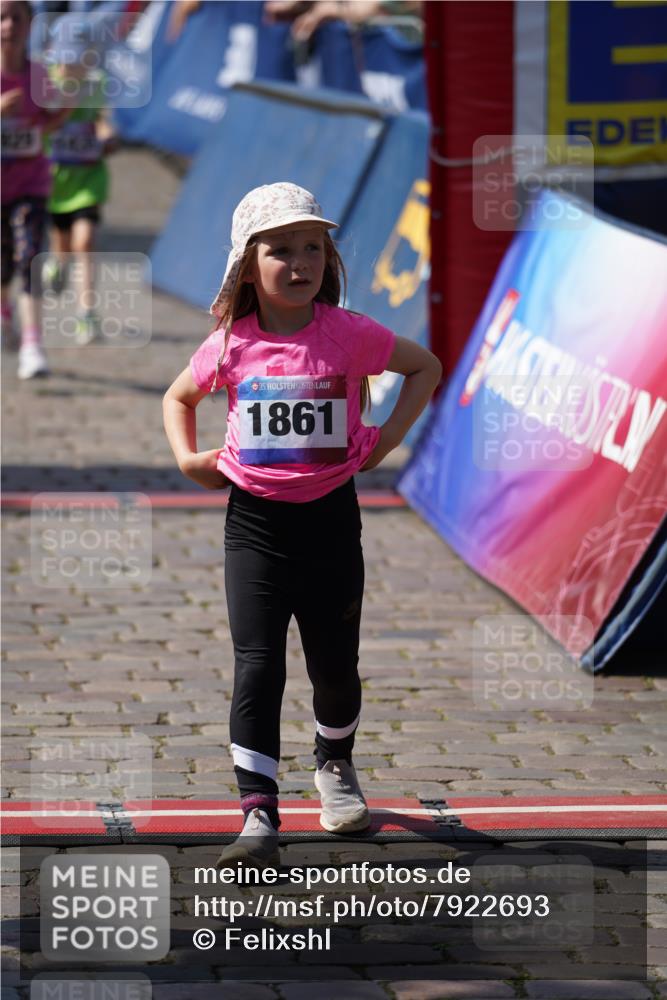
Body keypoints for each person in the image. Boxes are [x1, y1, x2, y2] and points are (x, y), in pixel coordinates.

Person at [162, 182, 441, 869]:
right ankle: (258, 816)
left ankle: (334, 764)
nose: (299, 262)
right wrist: (189, 458)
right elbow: (178, 396)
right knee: (257, 664)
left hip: (329, 523)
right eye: (280, 250)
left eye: (311, 247)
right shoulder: (230, 344)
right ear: (246, 266)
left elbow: (423, 367)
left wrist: (385, 441)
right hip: (253, 526)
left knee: (333, 667)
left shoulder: (348, 334)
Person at [1, 0, 68, 378]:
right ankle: (4, 313)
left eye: (17, 18)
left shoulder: (39, 75)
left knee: (29, 259)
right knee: (3, 266)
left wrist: (63, 110)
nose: (9, 25)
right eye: (2, 18)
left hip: (31, 184)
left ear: (29, 25)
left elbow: (51, 120)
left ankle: (32, 343)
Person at [42, 12, 117, 344]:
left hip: (89, 177)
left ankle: (86, 313)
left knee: (84, 242)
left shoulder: (96, 83)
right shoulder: (44, 83)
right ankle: (57, 265)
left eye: (83, 58)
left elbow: (100, 120)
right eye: (70, 58)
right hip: (54, 178)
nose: (76, 65)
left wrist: (106, 135)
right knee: (63, 244)